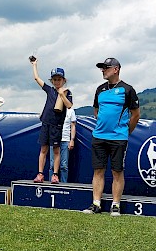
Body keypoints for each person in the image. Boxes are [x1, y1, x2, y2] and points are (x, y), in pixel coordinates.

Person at [83, 57, 140, 216]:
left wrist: (125, 132)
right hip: (99, 136)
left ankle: (115, 205)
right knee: (98, 170)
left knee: (117, 171)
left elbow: (135, 115)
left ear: (116, 69)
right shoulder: (100, 89)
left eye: (106, 68)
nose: (103, 70)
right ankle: (96, 204)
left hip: (118, 138)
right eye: (102, 68)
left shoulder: (127, 89)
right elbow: (96, 111)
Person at [30, 58, 73, 184]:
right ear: (52, 81)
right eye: (54, 79)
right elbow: (37, 79)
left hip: (57, 125)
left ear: (63, 80)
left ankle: (55, 175)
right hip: (46, 123)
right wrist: (34, 65)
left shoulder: (67, 92)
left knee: (56, 150)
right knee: (43, 149)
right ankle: (40, 174)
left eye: (59, 79)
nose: (57, 81)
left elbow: (69, 105)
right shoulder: (49, 90)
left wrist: (62, 94)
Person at [48, 108, 77, 183]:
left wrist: (72, 140)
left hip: (65, 139)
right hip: (54, 139)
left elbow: (73, 126)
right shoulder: (53, 108)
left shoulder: (71, 111)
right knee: (52, 164)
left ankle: (63, 184)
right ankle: (50, 184)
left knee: (64, 165)